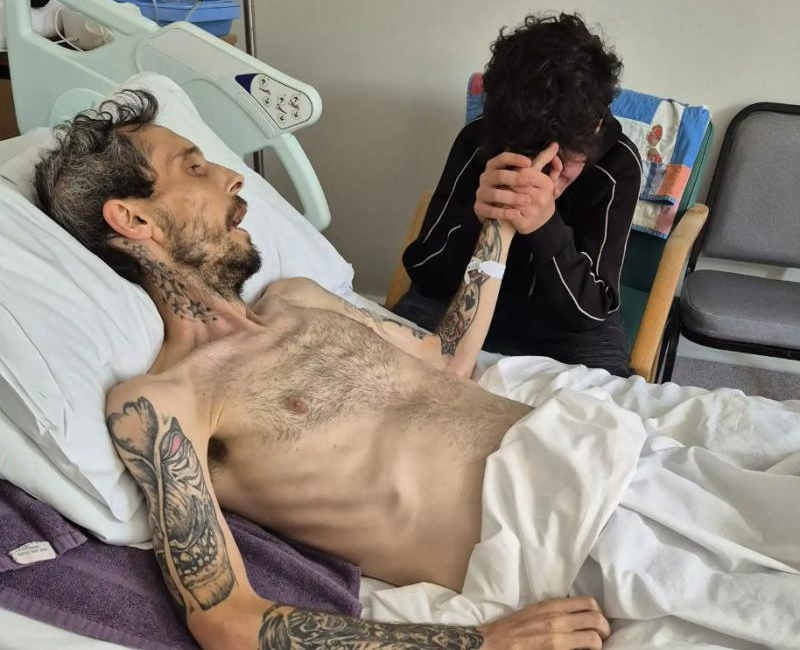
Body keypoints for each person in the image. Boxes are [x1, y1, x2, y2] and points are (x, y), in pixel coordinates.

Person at [35, 92, 800, 650]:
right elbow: (229, 621)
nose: (233, 178)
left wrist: (498, 229)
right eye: (195, 168)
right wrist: (481, 642)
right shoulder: (163, 403)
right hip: (566, 547)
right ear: (133, 218)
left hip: (615, 452)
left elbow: (450, 360)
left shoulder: (299, 300)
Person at [393, 13, 642, 378]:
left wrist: (545, 227)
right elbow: (424, 274)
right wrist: (476, 220)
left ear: (595, 127)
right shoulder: (478, 142)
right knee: (382, 371)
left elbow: (590, 310)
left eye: (560, 166)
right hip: (456, 298)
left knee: (597, 405)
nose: (542, 178)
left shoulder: (617, 165)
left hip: (564, 327)